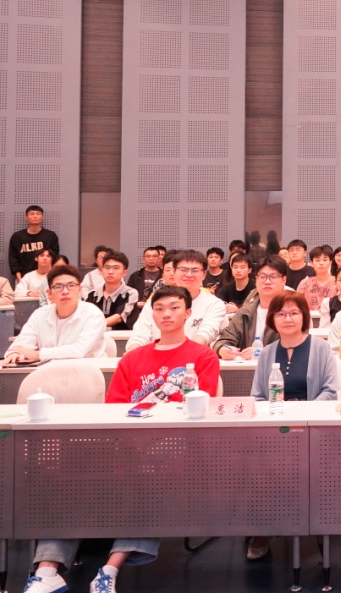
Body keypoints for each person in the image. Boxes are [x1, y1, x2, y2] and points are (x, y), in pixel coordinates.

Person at [22, 284, 219, 593]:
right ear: (151, 314)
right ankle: (47, 571)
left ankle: (109, 570)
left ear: (188, 313)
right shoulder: (132, 358)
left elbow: (201, 409)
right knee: (69, 473)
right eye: (159, 308)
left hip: (175, 447)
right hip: (128, 443)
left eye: (174, 308)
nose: (166, 314)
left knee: (147, 479)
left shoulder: (203, 357)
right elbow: (114, 409)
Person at [246, 292, 337, 561]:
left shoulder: (320, 348)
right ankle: (265, 527)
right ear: (273, 319)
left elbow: (330, 392)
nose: (288, 318)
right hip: (275, 431)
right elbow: (257, 396)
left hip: (312, 429)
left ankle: (319, 523)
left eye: (294, 313)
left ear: (304, 316)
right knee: (259, 467)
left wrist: (302, 415)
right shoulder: (267, 353)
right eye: (281, 313)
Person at [4, 264, 106, 364]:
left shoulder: (93, 314)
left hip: (86, 370)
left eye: (71, 285)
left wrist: (38, 354)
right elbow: (21, 343)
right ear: (49, 293)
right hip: (49, 371)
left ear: (80, 290)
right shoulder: (40, 315)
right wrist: (16, 353)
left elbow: (79, 350)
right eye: (58, 286)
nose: (65, 291)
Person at [126, 250, 226, 351]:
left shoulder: (214, 304)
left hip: (194, 356)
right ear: (174, 272)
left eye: (195, 270)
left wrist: (180, 355)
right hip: (155, 356)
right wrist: (133, 352)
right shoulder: (157, 301)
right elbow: (140, 334)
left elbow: (206, 334)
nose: (189, 274)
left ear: (204, 274)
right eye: (183, 270)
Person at [211, 255, 288, 358]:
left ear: (284, 280)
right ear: (256, 279)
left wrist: (262, 352)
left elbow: (296, 345)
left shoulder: (291, 312)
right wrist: (222, 349)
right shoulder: (245, 312)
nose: (267, 281)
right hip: (245, 367)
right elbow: (224, 339)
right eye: (262, 276)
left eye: (273, 277)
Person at [84, 250, 140, 330]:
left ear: (124, 272)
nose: (110, 272)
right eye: (107, 267)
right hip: (95, 335)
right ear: (102, 270)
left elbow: (118, 317)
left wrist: (94, 325)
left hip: (123, 336)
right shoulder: (92, 294)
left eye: (116, 268)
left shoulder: (130, 293)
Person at [7, 204, 59, 281]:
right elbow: (13, 259)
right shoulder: (17, 237)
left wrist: (49, 276)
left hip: (45, 277)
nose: (35, 216)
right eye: (31, 214)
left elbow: (54, 257)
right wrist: (20, 279)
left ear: (42, 217)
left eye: (38, 214)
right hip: (23, 278)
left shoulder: (50, 236)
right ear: (26, 217)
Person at [296, 244, 337, 318]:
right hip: (309, 319)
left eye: (325, 260)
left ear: (330, 262)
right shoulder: (305, 283)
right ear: (311, 263)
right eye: (317, 260)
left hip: (333, 319)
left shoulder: (337, 282)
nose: (321, 263)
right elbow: (296, 303)